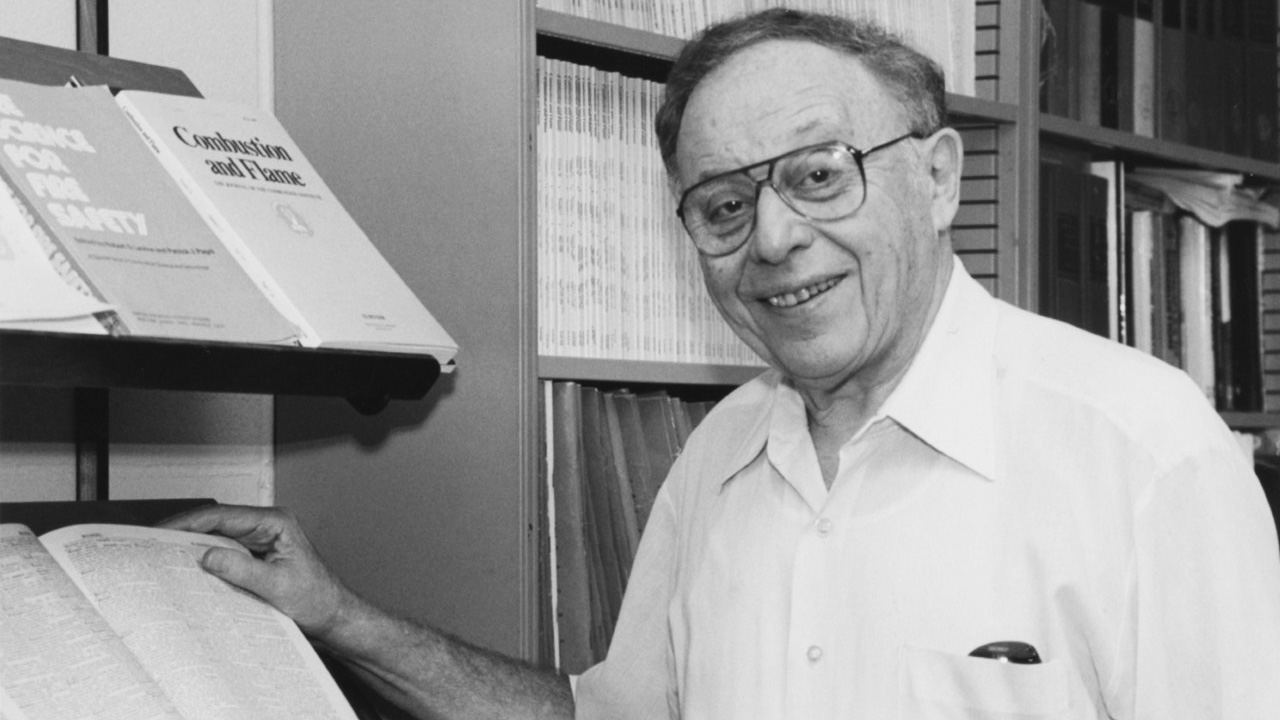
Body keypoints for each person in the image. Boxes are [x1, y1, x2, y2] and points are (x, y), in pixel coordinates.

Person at [164, 8, 1280, 719]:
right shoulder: (721, 455)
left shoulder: (1141, 451)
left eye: (819, 174)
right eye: (724, 205)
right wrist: (340, 619)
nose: (775, 239)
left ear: (939, 179)